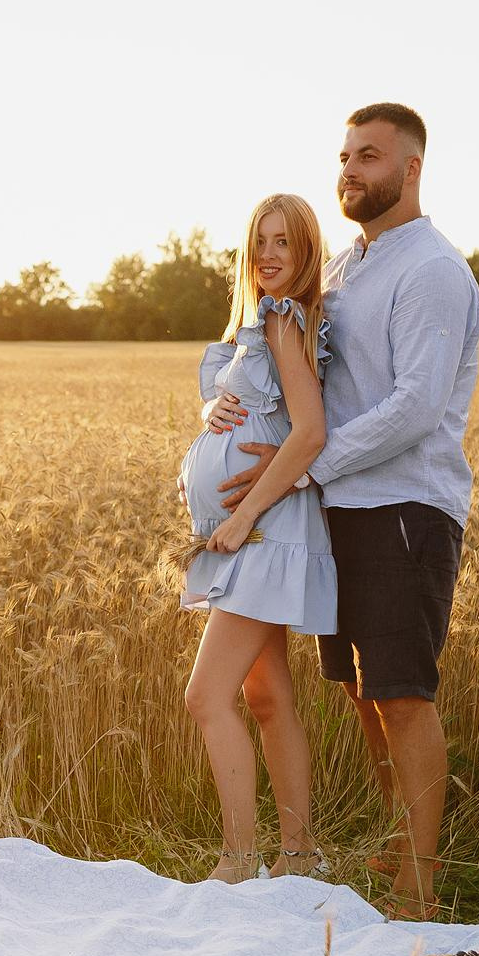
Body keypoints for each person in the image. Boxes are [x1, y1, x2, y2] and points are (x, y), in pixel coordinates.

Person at [206, 104, 479, 918]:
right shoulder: (354, 267)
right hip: (343, 509)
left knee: (402, 693)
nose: (352, 171)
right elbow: (276, 361)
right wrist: (219, 412)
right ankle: (398, 857)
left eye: (371, 156)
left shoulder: (430, 269)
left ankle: (418, 894)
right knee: (364, 692)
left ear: (412, 168)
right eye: (345, 157)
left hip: (406, 507)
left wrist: (300, 471)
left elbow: (416, 407)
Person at [177, 193, 338, 884]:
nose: (269, 255)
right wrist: (215, 406)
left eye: (284, 242)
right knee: (268, 697)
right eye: (260, 242)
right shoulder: (258, 325)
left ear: (306, 253)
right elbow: (239, 401)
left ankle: (239, 860)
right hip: (254, 537)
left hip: (264, 536)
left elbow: (310, 432)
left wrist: (241, 519)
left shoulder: (281, 321)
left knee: (206, 697)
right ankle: (298, 854)